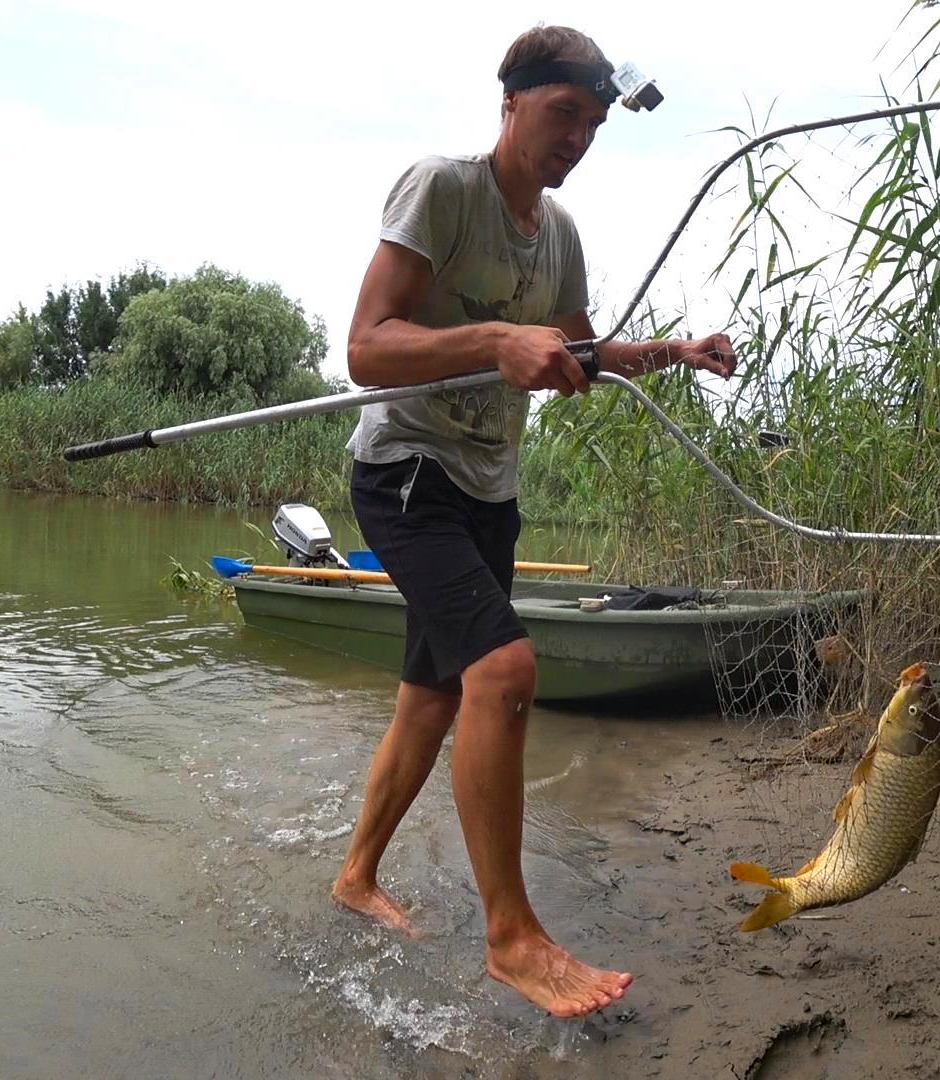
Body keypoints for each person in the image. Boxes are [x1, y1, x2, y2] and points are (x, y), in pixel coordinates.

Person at [330, 25, 736, 1020]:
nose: (577, 139)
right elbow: (367, 349)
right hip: (406, 471)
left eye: (594, 125)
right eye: (564, 115)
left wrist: (676, 352)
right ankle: (511, 937)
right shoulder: (443, 188)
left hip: (487, 488)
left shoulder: (559, 237)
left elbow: (584, 355)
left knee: (431, 697)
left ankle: (354, 878)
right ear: (511, 103)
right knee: (504, 670)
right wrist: (498, 337)